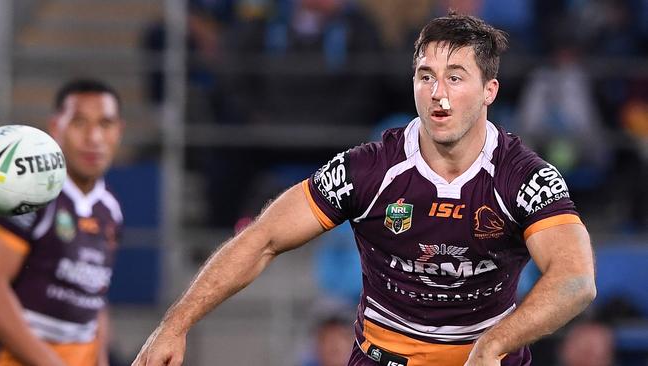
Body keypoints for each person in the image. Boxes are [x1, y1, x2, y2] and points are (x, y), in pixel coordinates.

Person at [133, 13, 596, 366]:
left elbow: (575, 279)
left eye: (455, 77)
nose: (438, 94)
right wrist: (176, 323)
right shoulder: (369, 170)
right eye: (425, 76)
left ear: (489, 90)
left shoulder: (523, 177)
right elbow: (263, 239)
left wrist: (494, 342)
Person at [0, 79, 124, 366]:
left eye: (105, 124)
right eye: (79, 123)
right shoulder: (30, 194)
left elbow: (95, 297)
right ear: (56, 127)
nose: (94, 137)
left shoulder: (111, 209)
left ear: (119, 131)